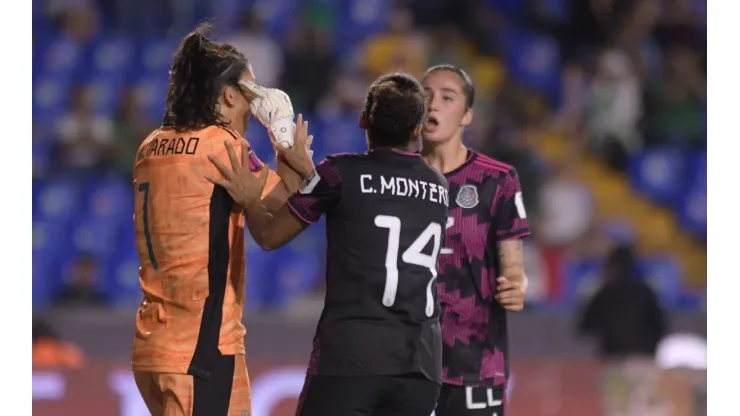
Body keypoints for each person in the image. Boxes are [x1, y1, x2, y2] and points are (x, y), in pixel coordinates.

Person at [207, 73, 448, 416]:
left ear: (363, 120)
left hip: (353, 359)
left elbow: (269, 235)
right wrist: (311, 175)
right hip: (422, 366)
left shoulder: (339, 173)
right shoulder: (438, 187)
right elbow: (380, 198)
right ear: (419, 129)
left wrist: (249, 198)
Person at [130, 23, 301, 416]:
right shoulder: (222, 146)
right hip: (203, 347)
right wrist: (283, 136)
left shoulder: (149, 146)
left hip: (152, 347)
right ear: (228, 95)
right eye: (251, 92)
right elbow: (284, 201)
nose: (255, 103)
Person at [420, 65, 531, 416]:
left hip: (475, 364)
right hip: (405, 362)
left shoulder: (497, 180)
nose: (433, 105)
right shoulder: (393, 177)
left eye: (447, 97)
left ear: (467, 115)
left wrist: (516, 285)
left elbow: (513, 266)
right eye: (425, 96)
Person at [577, 243, 667, 416]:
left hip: (614, 361)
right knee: (644, 410)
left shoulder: (603, 292)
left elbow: (584, 326)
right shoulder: (646, 291)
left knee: (618, 411)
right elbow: (661, 326)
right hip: (643, 360)